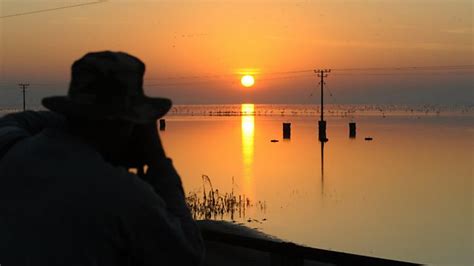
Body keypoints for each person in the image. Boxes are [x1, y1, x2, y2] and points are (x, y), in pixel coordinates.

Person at [0, 51, 205, 265]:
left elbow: (16, 121)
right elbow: (189, 254)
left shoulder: (12, 152)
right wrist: (157, 160)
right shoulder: (124, 193)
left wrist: (74, 121)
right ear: (126, 122)